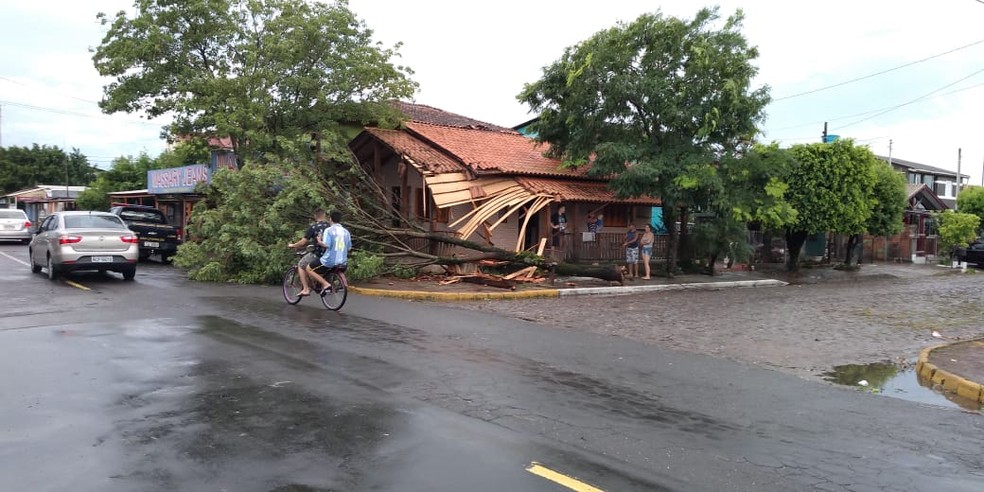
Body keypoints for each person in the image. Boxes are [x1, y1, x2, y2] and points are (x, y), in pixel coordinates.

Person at [307, 210, 351, 293]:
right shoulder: (346, 232)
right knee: (326, 270)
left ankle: (325, 284)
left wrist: (319, 241)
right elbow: (349, 248)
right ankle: (331, 284)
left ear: (330, 219)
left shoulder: (329, 230)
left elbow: (326, 245)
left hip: (328, 261)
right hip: (343, 263)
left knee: (309, 268)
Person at [288, 208, 329, 297]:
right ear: (324, 215)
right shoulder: (330, 226)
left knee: (301, 264)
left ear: (315, 216)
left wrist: (293, 245)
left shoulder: (314, 227)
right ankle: (316, 282)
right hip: (330, 254)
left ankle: (306, 289)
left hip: (318, 254)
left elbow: (303, 242)